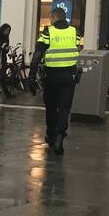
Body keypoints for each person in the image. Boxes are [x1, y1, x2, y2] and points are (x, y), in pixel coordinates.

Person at [30, 8, 82, 155]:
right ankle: (59, 138)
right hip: (69, 76)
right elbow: (76, 48)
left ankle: (51, 135)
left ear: (53, 18)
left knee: (51, 107)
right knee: (65, 108)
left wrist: (31, 77)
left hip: (51, 76)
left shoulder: (48, 32)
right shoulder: (75, 32)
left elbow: (37, 55)